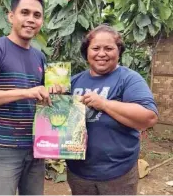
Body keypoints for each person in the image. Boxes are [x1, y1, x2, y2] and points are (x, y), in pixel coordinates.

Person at [0, 0, 63, 195]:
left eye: (37, 15)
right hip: (4, 149)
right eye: (25, 13)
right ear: (11, 16)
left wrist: (54, 93)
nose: (31, 19)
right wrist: (26, 92)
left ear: (42, 21)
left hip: (36, 147)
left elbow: (41, 99)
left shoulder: (39, 57)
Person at [66, 24, 158, 195]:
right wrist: (52, 93)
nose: (101, 53)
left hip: (117, 174)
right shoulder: (73, 82)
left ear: (119, 51)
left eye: (108, 48)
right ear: (87, 52)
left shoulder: (129, 79)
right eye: (95, 48)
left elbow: (149, 118)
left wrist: (104, 103)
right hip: (78, 173)